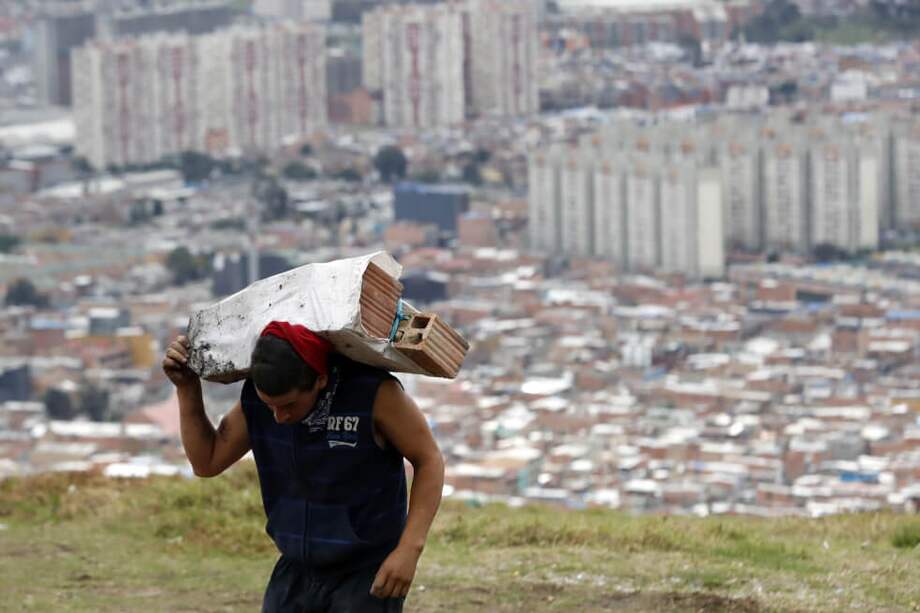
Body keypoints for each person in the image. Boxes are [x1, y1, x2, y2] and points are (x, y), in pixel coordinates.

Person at [162, 321, 445, 612]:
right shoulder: (260, 402)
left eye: (289, 406)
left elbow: (429, 460)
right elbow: (207, 461)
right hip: (295, 570)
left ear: (320, 380)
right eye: (269, 406)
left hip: (364, 573)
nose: (279, 417)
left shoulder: (373, 394)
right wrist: (187, 388)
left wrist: (409, 549)